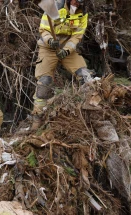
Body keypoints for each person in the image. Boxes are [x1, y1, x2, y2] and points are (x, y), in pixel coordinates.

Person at [31, 0, 93, 130]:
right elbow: (44, 29)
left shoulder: (83, 13)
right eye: (75, 1)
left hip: (67, 49)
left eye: (80, 2)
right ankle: (37, 119)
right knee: (44, 81)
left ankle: (86, 114)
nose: (77, 4)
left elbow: (77, 36)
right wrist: (50, 40)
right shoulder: (55, 6)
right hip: (48, 48)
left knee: (85, 77)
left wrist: (67, 50)